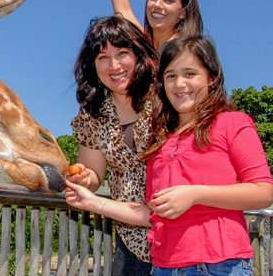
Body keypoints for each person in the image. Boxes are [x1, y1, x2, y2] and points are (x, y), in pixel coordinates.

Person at [65, 35, 273, 274]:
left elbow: (263, 191)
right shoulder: (160, 144)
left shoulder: (232, 123)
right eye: (171, 76)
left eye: (190, 74)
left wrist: (195, 194)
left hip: (219, 264)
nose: (180, 84)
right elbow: (151, 212)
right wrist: (93, 202)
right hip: (164, 267)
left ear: (212, 77)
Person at [69, 15, 159, 274]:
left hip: (178, 235)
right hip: (131, 240)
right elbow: (93, 173)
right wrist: (84, 179)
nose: (114, 65)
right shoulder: (93, 113)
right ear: (93, 65)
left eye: (122, 53)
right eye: (102, 57)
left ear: (139, 55)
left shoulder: (165, 98)